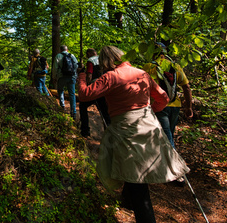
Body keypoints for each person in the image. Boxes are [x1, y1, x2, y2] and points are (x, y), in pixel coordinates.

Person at [77, 45, 189, 223]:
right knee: (133, 172)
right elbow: (164, 99)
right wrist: (150, 110)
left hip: (126, 131)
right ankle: (127, 201)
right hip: (149, 125)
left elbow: (84, 95)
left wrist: (81, 76)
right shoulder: (142, 73)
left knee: (138, 184)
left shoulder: (110, 76)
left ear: (105, 61)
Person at [142, 42, 193, 149]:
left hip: (158, 106)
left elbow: (142, 89)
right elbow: (186, 88)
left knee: (166, 138)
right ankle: (164, 160)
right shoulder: (175, 66)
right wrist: (189, 107)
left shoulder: (149, 66)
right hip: (175, 106)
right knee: (168, 135)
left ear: (152, 52)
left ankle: (173, 162)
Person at [78, 48, 111, 137]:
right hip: (106, 87)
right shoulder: (103, 59)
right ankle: (109, 132)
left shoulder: (91, 60)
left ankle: (85, 131)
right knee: (104, 110)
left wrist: (87, 86)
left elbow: (89, 75)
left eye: (87, 54)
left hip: (96, 87)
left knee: (83, 105)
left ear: (89, 53)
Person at [52, 45, 78, 120]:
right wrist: (75, 75)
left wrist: (54, 77)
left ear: (60, 50)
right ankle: (73, 112)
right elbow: (76, 65)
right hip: (71, 76)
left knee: (60, 91)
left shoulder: (58, 56)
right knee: (72, 94)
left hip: (61, 77)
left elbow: (55, 68)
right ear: (67, 49)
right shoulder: (72, 55)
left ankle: (62, 106)